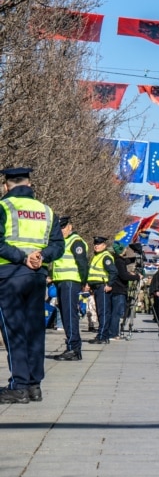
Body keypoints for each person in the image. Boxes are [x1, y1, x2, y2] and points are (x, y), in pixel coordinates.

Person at [0, 167, 65, 403]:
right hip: (38, 277)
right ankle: (34, 385)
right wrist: (42, 255)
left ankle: (18, 385)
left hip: (9, 275)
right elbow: (59, 246)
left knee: (13, 330)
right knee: (34, 331)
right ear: (29, 183)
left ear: (6, 185)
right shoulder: (47, 211)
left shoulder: (3, 207)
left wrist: (21, 257)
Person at [51, 216, 88, 361]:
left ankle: (74, 348)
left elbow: (82, 264)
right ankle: (72, 346)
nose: (61, 230)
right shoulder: (61, 242)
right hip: (62, 281)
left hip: (71, 281)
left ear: (70, 227)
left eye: (63, 227)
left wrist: (84, 282)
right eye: (59, 228)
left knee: (70, 314)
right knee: (66, 315)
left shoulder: (76, 241)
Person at [87, 236, 117, 345]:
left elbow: (113, 272)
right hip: (96, 287)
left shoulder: (106, 256)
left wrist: (109, 284)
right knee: (100, 312)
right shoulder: (96, 256)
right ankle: (101, 334)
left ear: (104, 245)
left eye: (99, 244)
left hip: (103, 287)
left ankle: (102, 336)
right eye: (95, 244)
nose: (96, 246)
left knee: (104, 312)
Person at [109, 242, 140, 340]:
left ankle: (113, 332)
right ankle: (113, 333)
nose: (126, 250)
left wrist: (137, 257)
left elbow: (126, 261)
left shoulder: (118, 260)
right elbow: (123, 276)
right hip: (119, 290)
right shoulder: (119, 261)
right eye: (125, 249)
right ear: (121, 251)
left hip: (118, 289)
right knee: (116, 313)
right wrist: (136, 276)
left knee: (115, 312)